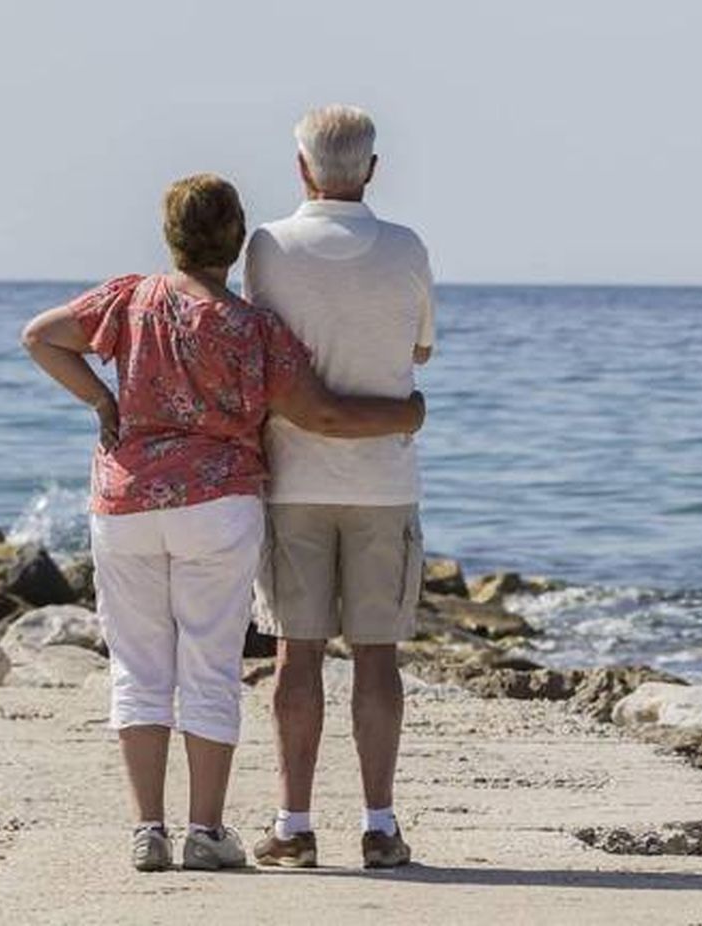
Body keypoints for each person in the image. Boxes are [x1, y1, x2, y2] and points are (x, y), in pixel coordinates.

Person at [20, 173, 425, 873]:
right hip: (218, 503)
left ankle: (148, 830)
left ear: (170, 237)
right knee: (208, 665)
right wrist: (405, 415)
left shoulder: (128, 298)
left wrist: (102, 403)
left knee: (138, 669)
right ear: (237, 244)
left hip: (126, 505)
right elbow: (322, 414)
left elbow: (41, 337)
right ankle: (206, 831)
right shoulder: (252, 329)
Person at [245, 104, 433, 870]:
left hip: (292, 480)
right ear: (372, 170)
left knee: (297, 654)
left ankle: (294, 826)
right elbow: (418, 352)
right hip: (384, 480)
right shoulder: (407, 247)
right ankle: (380, 826)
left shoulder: (267, 247)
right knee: (378, 657)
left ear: (301, 167)